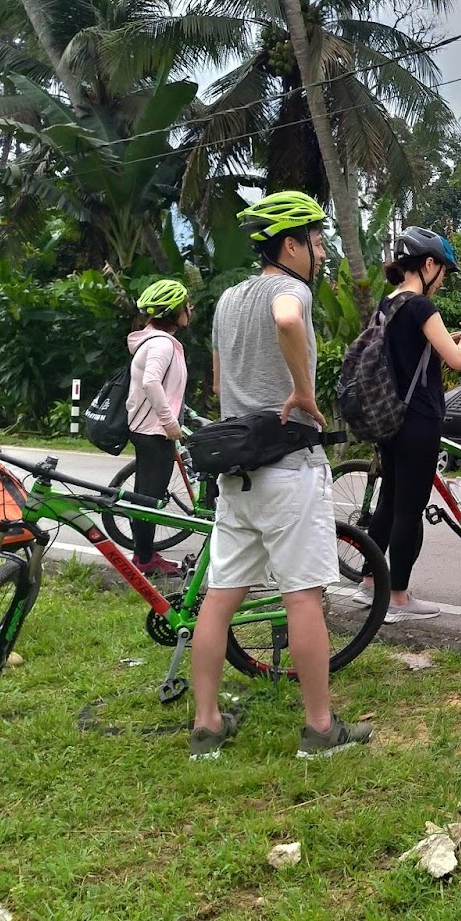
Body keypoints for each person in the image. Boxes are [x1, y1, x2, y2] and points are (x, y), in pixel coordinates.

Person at [188, 189, 371, 760]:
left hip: (237, 471)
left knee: (219, 598)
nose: (320, 254)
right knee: (304, 596)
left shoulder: (226, 299)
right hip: (289, 470)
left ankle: (207, 723)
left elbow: (219, 385)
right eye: (315, 243)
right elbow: (289, 319)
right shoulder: (289, 289)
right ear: (290, 246)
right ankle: (320, 728)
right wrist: (303, 390)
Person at [363, 226, 461, 623]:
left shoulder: (388, 304)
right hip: (419, 419)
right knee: (409, 509)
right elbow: (457, 361)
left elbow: (407, 351)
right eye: (443, 270)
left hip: (388, 418)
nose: (443, 279)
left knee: (389, 501)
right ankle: (397, 596)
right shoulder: (422, 307)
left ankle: (369, 582)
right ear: (428, 264)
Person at [125, 279, 192, 578]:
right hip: (154, 431)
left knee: (146, 494)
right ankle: (144, 558)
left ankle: (144, 553)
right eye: (184, 305)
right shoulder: (162, 344)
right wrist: (169, 421)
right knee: (149, 498)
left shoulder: (156, 341)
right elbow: (151, 382)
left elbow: (164, 385)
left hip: (150, 428)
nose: (189, 309)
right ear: (172, 311)